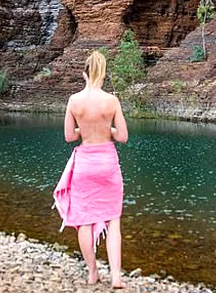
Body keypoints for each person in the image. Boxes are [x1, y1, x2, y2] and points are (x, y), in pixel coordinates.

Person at [53, 50, 128, 289]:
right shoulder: (112, 101)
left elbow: (68, 136)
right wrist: (110, 131)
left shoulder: (74, 101)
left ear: (84, 72)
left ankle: (93, 273)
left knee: (85, 222)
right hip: (107, 163)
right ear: (103, 73)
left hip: (85, 163)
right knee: (113, 221)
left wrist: (83, 131)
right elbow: (123, 137)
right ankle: (116, 277)